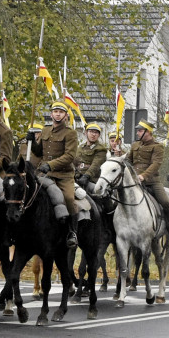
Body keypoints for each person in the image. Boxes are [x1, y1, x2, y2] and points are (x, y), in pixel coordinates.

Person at [27, 101, 80, 247]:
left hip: (63, 175)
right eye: (55, 111)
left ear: (65, 115)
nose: (57, 114)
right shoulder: (45, 131)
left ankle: (72, 232)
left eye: (61, 112)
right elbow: (39, 152)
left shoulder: (70, 133)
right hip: (45, 174)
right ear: (51, 114)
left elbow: (69, 156)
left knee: (69, 198)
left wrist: (50, 165)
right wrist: (32, 142)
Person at [126, 120, 169, 240]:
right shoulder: (135, 145)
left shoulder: (157, 146)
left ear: (147, 132)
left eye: (140, 131)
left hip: (152, 181)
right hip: (134, 181)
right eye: (138, 131)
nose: (138, 133)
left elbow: (156, 164)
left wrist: (143, 176)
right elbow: (129, 161)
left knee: (166, 203)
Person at [75, 122, 107, 189]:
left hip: (91, 179)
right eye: (91, 132)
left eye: (96, 132)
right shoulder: (80, 147)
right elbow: (74, 162)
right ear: (86, 133)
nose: (93, 134)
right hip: (77, 177)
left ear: (99, 135)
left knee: (96, 192)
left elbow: (96, 165)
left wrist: (87, 176)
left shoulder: (101, 149)